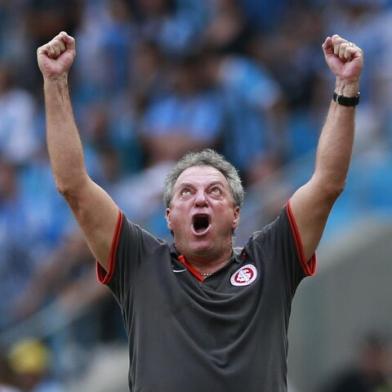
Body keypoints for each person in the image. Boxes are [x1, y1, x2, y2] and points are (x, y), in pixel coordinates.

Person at [37, 31, 363, 391]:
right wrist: (54, 80)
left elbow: (328, 183)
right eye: (187, 192)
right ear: (168, 216)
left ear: (236, 214)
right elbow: (73, 185)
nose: (200, 199)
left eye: (215, 192)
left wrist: (345, 88)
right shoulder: (139, 262)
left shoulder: (273, 258)